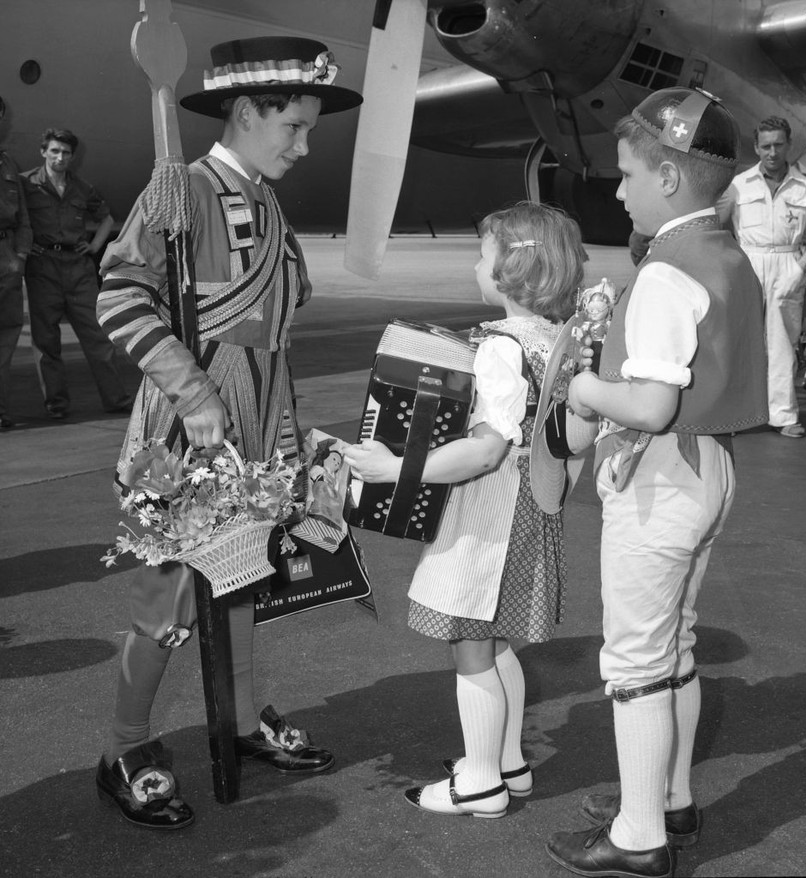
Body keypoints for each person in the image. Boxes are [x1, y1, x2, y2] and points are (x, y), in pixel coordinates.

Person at [94, 36, 362, 830]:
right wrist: (193, 388)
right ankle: (125, 748)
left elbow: (283, 304)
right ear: (246, 113)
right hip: (190, 433)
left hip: (262, 419)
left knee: (245, 576)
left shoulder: (264, 197)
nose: (304, 144)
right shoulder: (179, 193)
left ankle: (240, 719)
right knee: (168, 601)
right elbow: (117, 297)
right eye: (295, 125)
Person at [546, 88, 768, 878]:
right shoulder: (724, 252)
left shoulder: (668, 270)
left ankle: (639, 836)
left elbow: (647, 402)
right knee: (673, 645)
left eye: (628, 172)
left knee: (635, 661)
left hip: (662, 473)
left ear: (669, 178)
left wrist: (581, 388)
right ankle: (667, 798)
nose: (617, 188)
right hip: (710, 465)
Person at [344, 201, 589, 818]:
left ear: (512, 269)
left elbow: (484, 450)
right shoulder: (555, 339)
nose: (476, 265)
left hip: (490, 519)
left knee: (471, 643)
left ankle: (480, 781)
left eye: (484, 255)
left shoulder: (503, 348)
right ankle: (509, 763)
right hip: (531, 508)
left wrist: (395, 467)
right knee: (495, 640)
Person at [718, 115, 806, 438]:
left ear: (789, 145)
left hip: (787, 262)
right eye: (766, 146)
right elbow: (720, 226)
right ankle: (738, 414)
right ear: (756, 147)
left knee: (782, 342)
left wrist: (802, 266)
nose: (772, 152)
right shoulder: (739, 185)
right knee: (742, 342)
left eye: (779, 144)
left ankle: (783, 414)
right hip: (749, 261)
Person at [20, 127, 132, 419]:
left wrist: (95, 246)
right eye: (54, 151)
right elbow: (14, 215)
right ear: (43, 152)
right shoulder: (26, 184)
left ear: (72, 156)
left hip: (78, 268)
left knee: (97, 336)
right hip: (43, 267)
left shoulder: (82, 187)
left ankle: (117, 400)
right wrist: (24, 243)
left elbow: (106, 218)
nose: (60, 158)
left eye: (66, 153)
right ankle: (56, 404)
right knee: (46, 341)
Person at [0, 95, 32, 430]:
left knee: (6, 337)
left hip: (6, 256)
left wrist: (20, 256)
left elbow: (22, 217)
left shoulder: (8, 165)